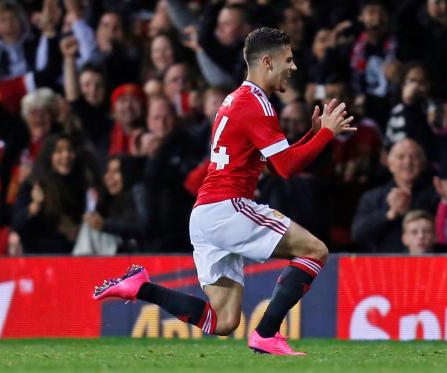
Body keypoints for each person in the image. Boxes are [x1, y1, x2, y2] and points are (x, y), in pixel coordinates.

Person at [93, 27, 354, 355]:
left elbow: (275, 164)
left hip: (205, 214)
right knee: (314, 251)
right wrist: (326, 134)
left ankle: (140, 288)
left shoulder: (237, 100)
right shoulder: (257, 104)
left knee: (224, 320)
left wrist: (311, 137)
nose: (294, 67)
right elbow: (286, 168)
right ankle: (266, 333)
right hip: (229, 207)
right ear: (268, 62)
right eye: (289, 60)